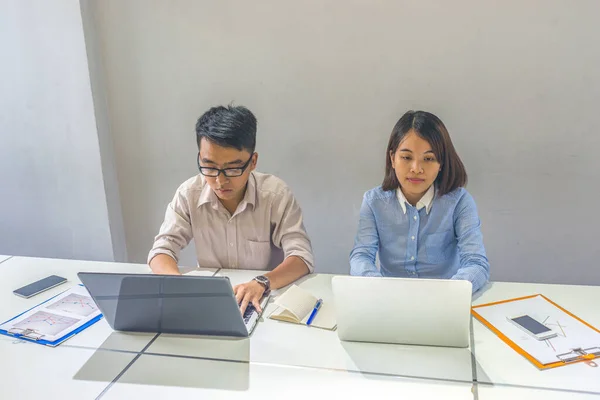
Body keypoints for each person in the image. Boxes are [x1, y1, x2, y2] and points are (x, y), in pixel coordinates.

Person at [148, 105, 314, 313]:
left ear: (252, 162)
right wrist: (180, 286)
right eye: (209, 166)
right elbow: (162, 250)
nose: (219, 180)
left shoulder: (275, 195)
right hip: (211, 300)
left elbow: (301, 257)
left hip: (264, 299)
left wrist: (262, 282)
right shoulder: (189, 193)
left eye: (233, 169)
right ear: (200, 158)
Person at [349, 110, 489, 293]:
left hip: (444, 302)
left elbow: (476, 263)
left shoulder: (459, 202)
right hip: (390, 301)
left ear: (441, 164)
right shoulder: (373, 202)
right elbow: (361, 256)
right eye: (406, 157)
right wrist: (379, 287)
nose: (416, 169)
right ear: (392, 158)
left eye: (429, 159)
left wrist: (450, 293)